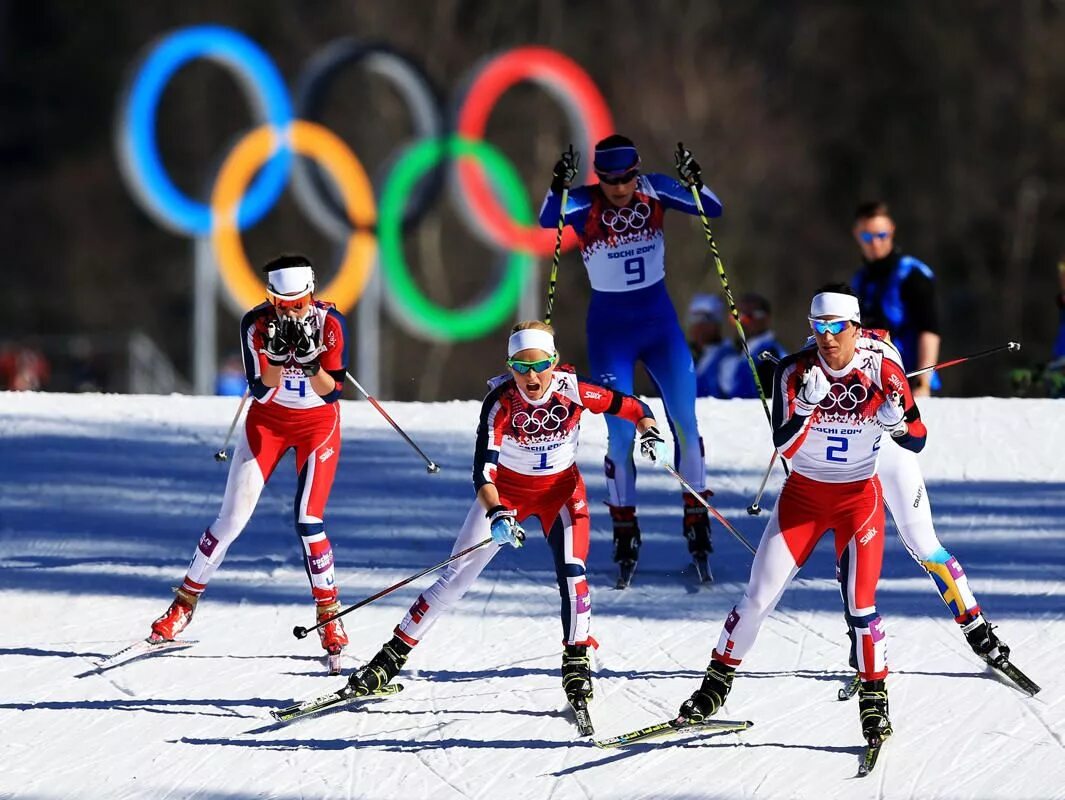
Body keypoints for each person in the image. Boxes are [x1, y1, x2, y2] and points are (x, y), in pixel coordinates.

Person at [338, 321, 666, 720]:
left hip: (561, 493)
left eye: (540, 365)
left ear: (554, 362)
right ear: (509, 366)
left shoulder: (575, 390)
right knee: (455, 576)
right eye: (520, 366)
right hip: (506, 496)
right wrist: (497, 513)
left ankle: (577, 664)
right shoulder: (500, 402)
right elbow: (483, 473)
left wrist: (649, 432)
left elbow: (634, 408)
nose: (531, 376)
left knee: (574, 573)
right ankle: (387, 660)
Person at [678, 285, 927, 747]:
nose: (828, 338)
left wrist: (896, 423)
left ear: (855, 327)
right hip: (803, 499)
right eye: (819, 327)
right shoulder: (794, 370)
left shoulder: (883, 366)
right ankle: (715, 684)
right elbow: (784, 445)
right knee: (757, 597)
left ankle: (874, 701)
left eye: (837, 328)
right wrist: (808, 408)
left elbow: (918, 439)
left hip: (858, 500)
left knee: (861, 606)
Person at [148, 254, 351, 666]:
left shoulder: (331, 324)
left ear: (311, 294)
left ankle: (329, 615)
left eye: (298, 304)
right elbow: (261, 392)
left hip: (317, 426)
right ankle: (184, 604)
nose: (291, 312)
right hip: (268, 424)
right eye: (282, 303)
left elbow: (332, 392)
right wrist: (277, 357)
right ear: (270, 299)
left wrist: (311, 363)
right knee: (230, 520)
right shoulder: (255, 324)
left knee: (309, 522)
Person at [538, 135, 723, 583]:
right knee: (621, 435)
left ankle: (696, 519)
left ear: (637, 171)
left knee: (685, 421)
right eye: (608, 179)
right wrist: (556, 185)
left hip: (659, 327)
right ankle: (624, 529)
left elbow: (711, 208)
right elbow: (547, 218)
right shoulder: (583, 203)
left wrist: (694, 180)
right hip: (610, 333)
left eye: (625, 178)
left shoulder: (654, 190)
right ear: (597, 176)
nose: (618, 187)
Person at [851, 201, 940, 396]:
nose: (875, 243)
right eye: (867, 236)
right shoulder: (860, 280)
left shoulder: (912, 274)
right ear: (857, 234)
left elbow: (929, 329)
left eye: (881, 235)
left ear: (891, 230)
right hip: (870, 384)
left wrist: (923, 381)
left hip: (908, 380)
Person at [713, 293, 788, 399]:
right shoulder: (731, 353)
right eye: (736, 317)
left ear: (765, 318)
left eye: (748, 317)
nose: (741, 322)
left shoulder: (772, 356)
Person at [687, 293, 729, 399]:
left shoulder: (728, 357)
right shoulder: (684, 355)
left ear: (716, 324)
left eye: (705, 319)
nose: (699, 325)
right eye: (694, 318)